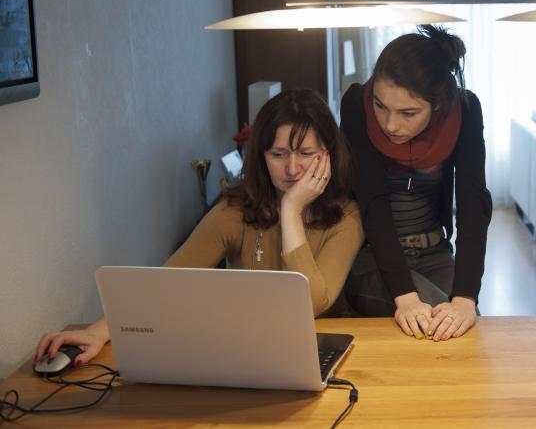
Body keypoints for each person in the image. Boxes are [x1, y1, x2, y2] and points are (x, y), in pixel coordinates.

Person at [35, 88, 364, 366]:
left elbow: (311, 304)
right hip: (251, 350)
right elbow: (168, 283)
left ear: (327, 154)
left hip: (324, 353)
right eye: (278, 154)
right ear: (261, 156)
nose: (292, 168)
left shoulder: (345, 217)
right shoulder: (236, 211)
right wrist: (100, 330)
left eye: (305, 154)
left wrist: (291, 209)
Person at [340, 25, 492, 342]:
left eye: (408, 112)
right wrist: (405, 298)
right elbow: (373, 202)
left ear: (437, 105)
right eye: (381, 106)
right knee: (437, 324)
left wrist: (466, 298)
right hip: (373, 256)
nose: (391, 124)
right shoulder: (357, 104)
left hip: (434, 251)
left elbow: (473, 203)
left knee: (466, 325)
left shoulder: (463, 110)